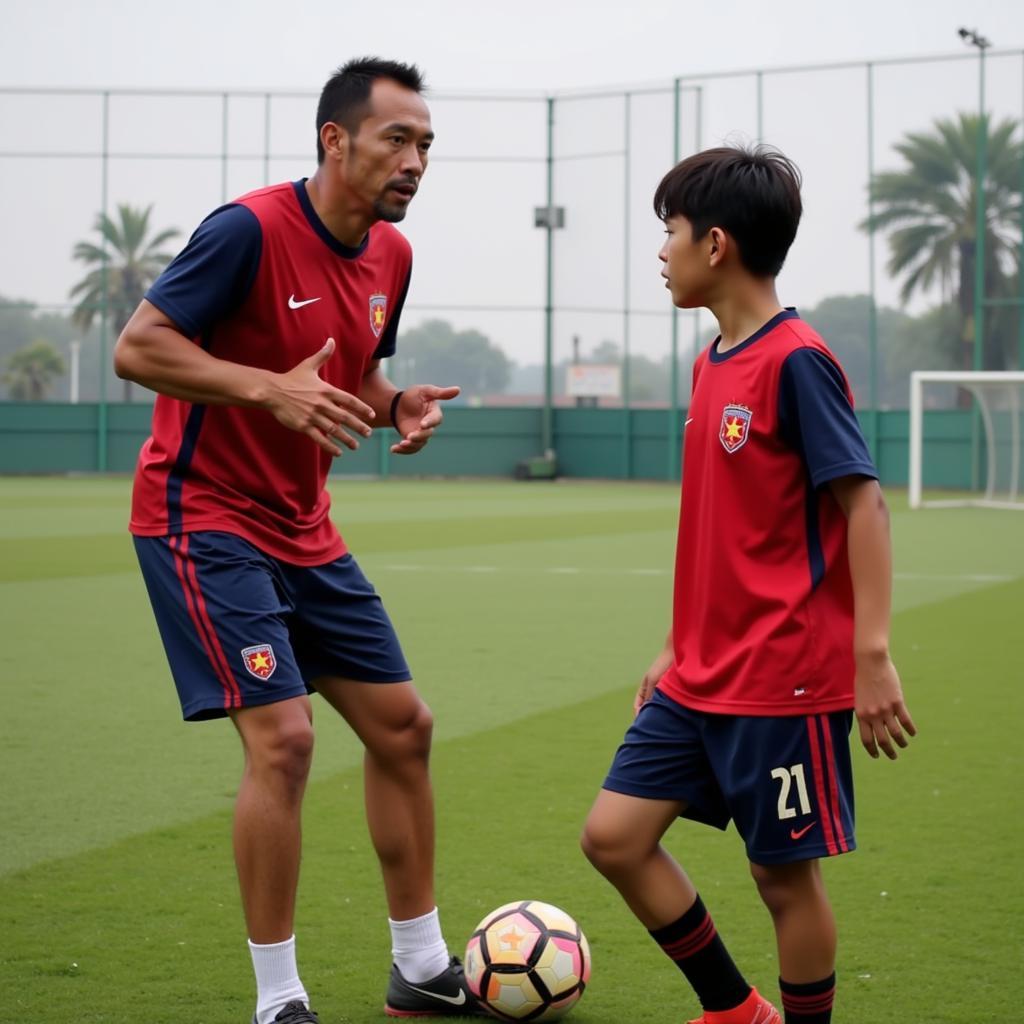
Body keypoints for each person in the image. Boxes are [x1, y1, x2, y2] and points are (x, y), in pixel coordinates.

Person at [114, 57, 482, 1024]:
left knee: (405, 728)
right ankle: (279, 1000)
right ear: (336, 140)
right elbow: (139, 347)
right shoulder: (247, 230)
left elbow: (343, 380)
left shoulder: (390, 257)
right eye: (398, 139)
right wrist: (264, 385)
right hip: (201, 517)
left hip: (303, 528)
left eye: (427, 145)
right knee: (283, 740)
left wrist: (393, 399)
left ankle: (422, 965)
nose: (415, 161)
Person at [580, 146, 917, 1024]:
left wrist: (870, 653)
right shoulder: (712, 362)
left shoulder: (797, 359)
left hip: (783, 678)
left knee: (781, 876)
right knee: (614, 839)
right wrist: (672, 644)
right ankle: (734, 1010)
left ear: (717, 243)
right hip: (698, 674)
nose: (662, 250)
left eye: (671, 231)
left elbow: (864, 505)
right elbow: (724, 530)